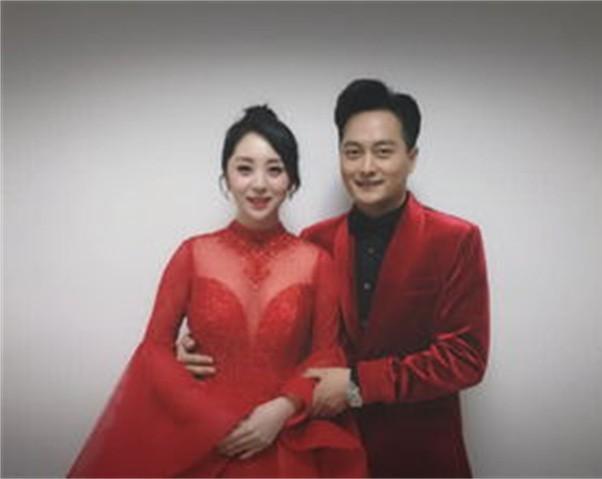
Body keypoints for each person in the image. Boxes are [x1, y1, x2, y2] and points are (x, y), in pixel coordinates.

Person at [178, 79, 490, 478]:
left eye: (383, 152)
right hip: (328, 453)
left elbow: (465, 357)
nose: (366, 167)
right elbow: (288, 341)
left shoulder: (455, 239)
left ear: (411, 158)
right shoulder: (315, 242)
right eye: (352, 152)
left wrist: (358, 384)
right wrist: (198, 350)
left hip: (419, 455)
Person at [68, 106, 368, 478]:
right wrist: (209, 419)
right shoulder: (192, 254)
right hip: (201, 436)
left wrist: (282, 409)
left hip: (284, 437)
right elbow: (155, 349)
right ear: (226, 176)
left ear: (292, 179)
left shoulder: (317, 262)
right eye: (245, 168)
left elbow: (325, 355)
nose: (259, 184)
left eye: (274, 170)